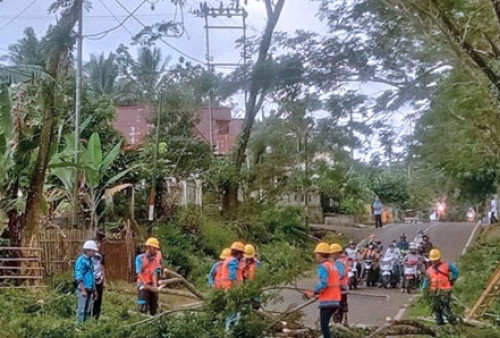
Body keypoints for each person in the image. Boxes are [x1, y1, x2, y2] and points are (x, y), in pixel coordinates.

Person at [303, 243, 342, 338]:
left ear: (320, 254)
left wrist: (314, 292)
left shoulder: (323, 267)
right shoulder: (333, 266)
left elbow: (324, 283)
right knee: (326, 324)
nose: (315, 256)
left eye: (316, 254)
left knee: (324, 326)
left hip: (328, 301)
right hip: (336, 299)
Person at [422, 249, 459, 325]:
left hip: (445, 290)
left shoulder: (446, 265)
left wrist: (452, 280)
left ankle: (454, 324)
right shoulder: (429, 270)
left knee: (445, 309)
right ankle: (440, 326)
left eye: (436, 260)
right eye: (433, 260)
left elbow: (456, 272)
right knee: (436, 309)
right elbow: (426, 280)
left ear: (439, 258)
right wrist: (424, 290)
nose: (435, 262)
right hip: (434, 291)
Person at [135, 237, 162, 315]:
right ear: (150, 247)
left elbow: (154, 273)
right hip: (142, 284)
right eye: (155, 248)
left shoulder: (155, 260)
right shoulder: (140, 258)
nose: (156, 250)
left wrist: (155, 286)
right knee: (142, 301)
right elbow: (138, 273)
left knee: (154, 304)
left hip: (151, 284)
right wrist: (145, 284)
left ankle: (153, 315)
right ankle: (140, 312)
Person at [74, 240, 98, 323]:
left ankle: (85, 327)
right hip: (83, 289)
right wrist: (83, 290)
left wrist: (95, 290)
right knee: (81, 309)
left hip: (90, 288)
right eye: (93, 251)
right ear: (88, 250)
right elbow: (79, 276)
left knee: (87, 310)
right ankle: (78, 328)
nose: (94, 253)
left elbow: (92, 276)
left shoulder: (91, 261)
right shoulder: (81, 260)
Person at [330, 243, 348, 324]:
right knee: (341, 306)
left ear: (337, 253)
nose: (331, 255)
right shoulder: (343, 260)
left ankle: (337, 322)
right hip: (342, 287)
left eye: (332, 254)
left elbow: (341, 273)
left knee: (337, 306)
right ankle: (340, 321)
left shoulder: (339, 262)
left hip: (339, 287)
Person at [92, 241, 105, 320]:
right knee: (92, 298)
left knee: (99, 299)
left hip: (99, 280)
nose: (98, 247)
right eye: (97, 245)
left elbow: (103, 268)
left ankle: (96, 316)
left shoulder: (101, 256)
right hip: (91, 280)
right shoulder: (89, 257)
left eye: (99, 246)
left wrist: (104, 281)